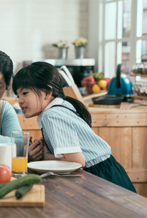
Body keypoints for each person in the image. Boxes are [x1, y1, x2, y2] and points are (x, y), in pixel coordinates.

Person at [12, 61, 136, 193]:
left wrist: (44, 156)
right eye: (18, 95)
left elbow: (77, 161)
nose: (20, 100)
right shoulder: (60, 107)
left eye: (25, 93)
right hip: (108, 170)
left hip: (101, 177)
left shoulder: (52, 115)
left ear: (47, 93)